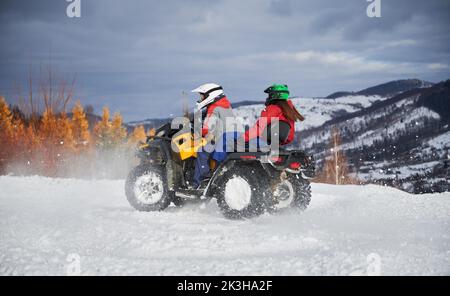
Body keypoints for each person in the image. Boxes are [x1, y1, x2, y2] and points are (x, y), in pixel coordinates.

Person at [191, 83, 239, 188]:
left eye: (202, 95)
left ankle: (200, 182)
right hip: (232, 138)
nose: (201, 98)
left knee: (201, 151)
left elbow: (207, 128)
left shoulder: (213, 107)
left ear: (210, 95)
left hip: (221, 140)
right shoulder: (226, 105)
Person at [243, 84, 304, 148]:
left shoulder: (273, 108)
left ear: (274, 95)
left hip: (261, 142)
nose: (267, 98)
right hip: (274, 146)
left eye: (269, 95)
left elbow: (259, 127)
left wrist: (242, 139)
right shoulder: (289, 112)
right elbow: (290, 137)